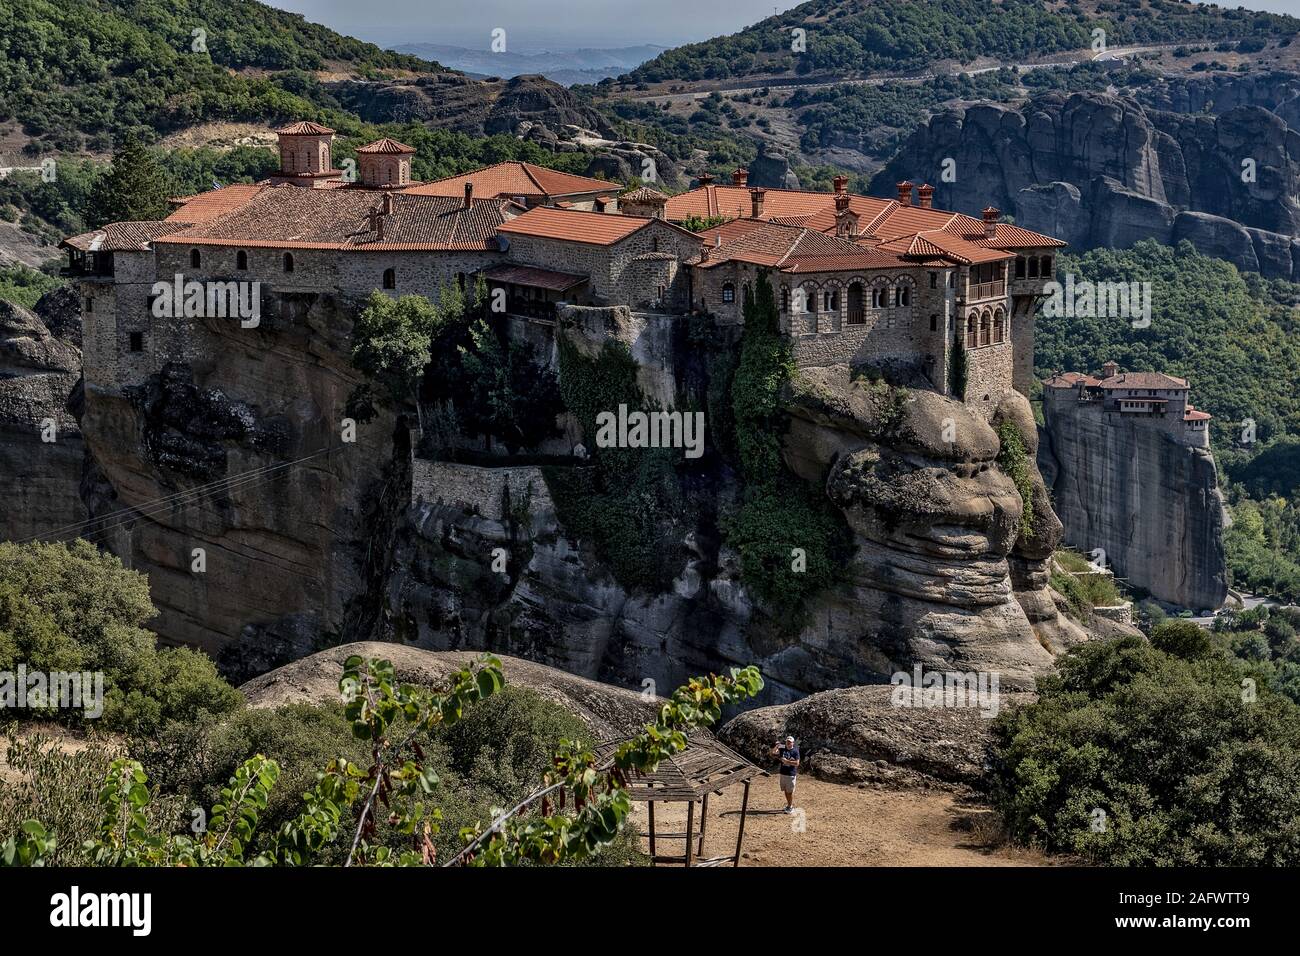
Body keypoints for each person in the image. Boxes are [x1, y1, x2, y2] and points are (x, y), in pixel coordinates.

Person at [770, 734, 799, 812]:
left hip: (791, 774)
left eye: (790, 742)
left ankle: (790, 807)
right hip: (783, 773)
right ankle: (789, 805)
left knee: (789, 792)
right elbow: (772, 754)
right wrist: (777, 746)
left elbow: (797, 763)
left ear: (793, 743)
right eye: (787, 742)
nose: (788, 743)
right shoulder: (783, 748)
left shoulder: (795, 751)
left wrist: (787, 761)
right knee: (786, 791)